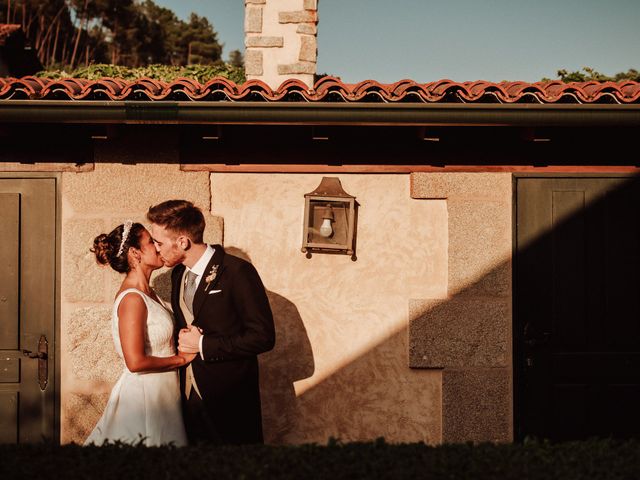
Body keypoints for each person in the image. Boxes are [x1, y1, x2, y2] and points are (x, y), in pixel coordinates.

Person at [147, 200, 275, 444]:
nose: (156, 248)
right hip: (185, 396)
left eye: (159, 242)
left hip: (230, 397)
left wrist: (204, 344)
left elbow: (263, 336)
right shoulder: (178, 274)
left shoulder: (237, 272)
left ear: (182, 242)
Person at [85, 221, 192, 446]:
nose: (158, 246)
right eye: (151, 242)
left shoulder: (149, 293)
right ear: (135, 253)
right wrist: (180, 359)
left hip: (164, 392)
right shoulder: (132, 299)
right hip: (145, 396)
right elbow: (135, 362)